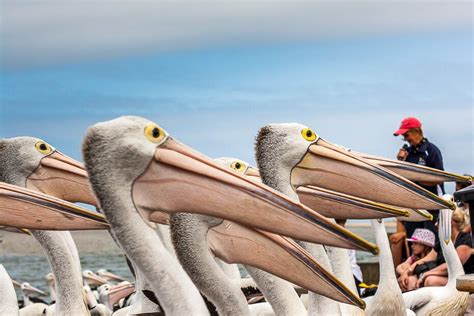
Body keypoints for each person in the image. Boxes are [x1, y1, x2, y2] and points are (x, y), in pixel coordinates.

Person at [390, 117, 445, 266]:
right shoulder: (407, 152)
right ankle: (412, 272)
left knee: (431, 242)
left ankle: (428, 271)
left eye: (406, 135)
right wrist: (399, 162)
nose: (405, 138)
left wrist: (415, 178)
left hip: (431, 207)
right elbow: (400, 178)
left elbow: (439, 179)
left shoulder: (431, 151)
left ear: (416, 132)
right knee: (413, 243)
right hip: (413, 205)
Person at [415, 208, 474, 288]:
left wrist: (426, 274)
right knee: (411, 281)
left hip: (464, 281)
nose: (435, 224)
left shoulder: (465, 240)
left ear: (450, 222)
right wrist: (408, 269)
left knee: (431, 281)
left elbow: (452, 266)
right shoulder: (441, 242)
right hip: (448, 279)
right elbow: (427, 258)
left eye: (439, 220)